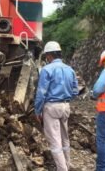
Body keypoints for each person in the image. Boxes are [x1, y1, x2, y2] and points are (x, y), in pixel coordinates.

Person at [35, 41, 79, 171]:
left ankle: (62, 169)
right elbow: (76, 90)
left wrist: (37, 110)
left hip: (51, 107)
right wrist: (66, 98)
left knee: (54, 141)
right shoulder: (69, 69)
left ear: (49, 55)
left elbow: (41, 92)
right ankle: (67, 164)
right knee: (65, 138)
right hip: (65, 106)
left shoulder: (46, 70)